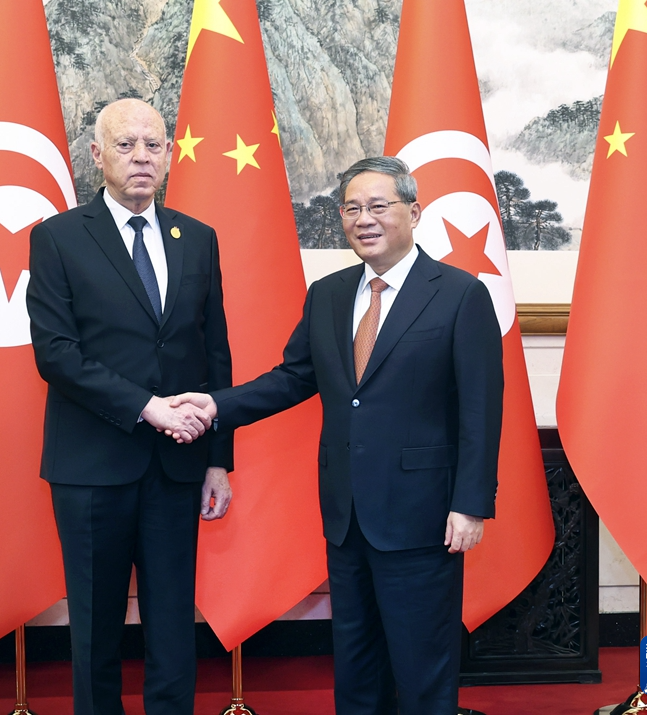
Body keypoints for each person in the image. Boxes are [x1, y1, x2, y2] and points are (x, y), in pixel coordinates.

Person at [171, 156, 503, 714]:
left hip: (423, 517)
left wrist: (470, 505)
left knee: (422, 668)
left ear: (413, 212)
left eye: (378, 206)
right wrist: (216, 406)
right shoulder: (328, 293)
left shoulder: (459, 294)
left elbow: (481, 410)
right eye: (351, 208)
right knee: (355, 664)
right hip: (347, 516)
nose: (363, 219)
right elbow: (293, 378)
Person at [26, 98, 233, 715]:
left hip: (178, 466)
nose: (141, 157)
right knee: (95, 627)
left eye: (153, 145)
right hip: (92, 466)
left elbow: (214, 355)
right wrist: (147, 407)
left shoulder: (198, 238)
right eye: (125, 144)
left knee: (173, 624)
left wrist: (218, 460)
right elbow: (56, 354)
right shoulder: (58, 238)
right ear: (97, 155)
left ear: (168, 154)